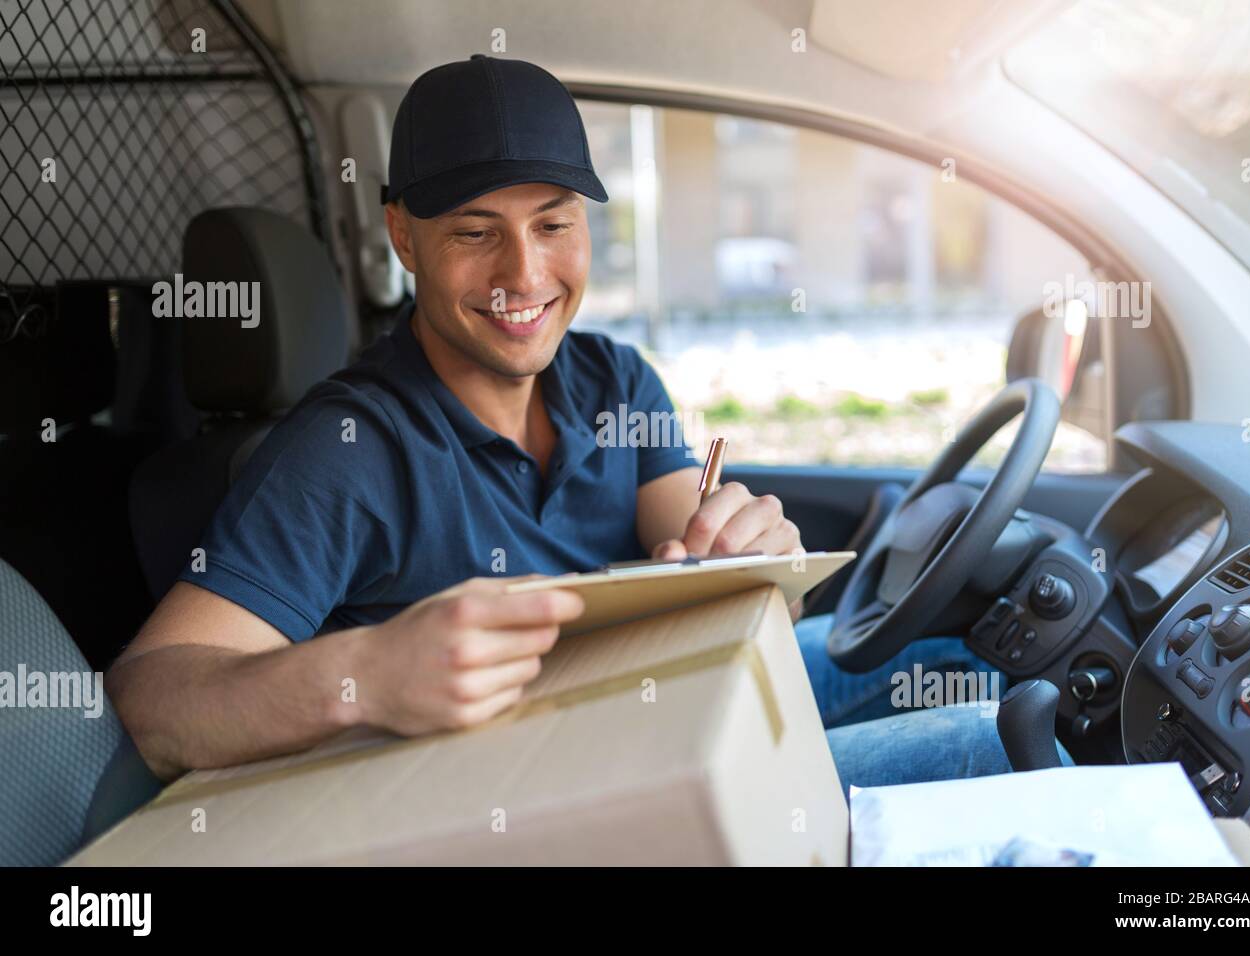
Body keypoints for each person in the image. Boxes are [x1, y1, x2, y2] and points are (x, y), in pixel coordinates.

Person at [107, 55, 1014, 794]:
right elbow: (153, 701)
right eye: (474, 232)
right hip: (547, 801)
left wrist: (753, 553)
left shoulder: (613, 379)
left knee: (973, 659)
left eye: (553, 223)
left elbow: (698, 560)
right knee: (989, 740)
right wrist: (371, 673)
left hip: (666, 712)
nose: (524, 273)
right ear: (402, 235)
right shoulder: (347, 450)